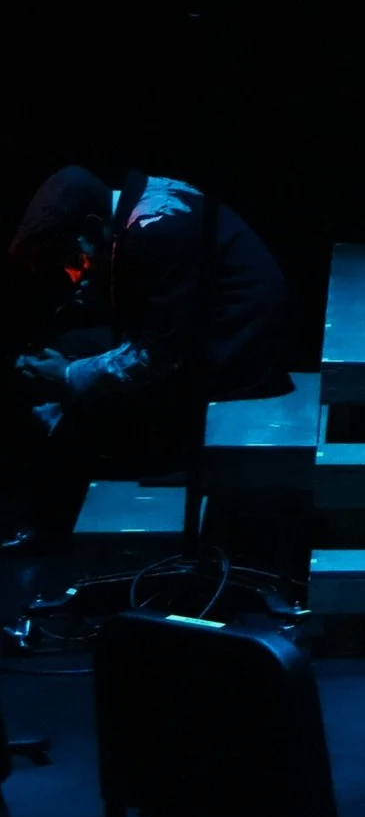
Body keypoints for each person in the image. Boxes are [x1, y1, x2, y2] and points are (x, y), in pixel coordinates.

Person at [4, 166, 290, 550]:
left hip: (233, 359)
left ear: (91, 227)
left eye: (73, 259)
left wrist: (69, 375)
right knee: (67, 347)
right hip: (210, 338)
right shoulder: (141, 209)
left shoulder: (156, 232)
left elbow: (160, 354)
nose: (74, 274)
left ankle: (52, 527)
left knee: (71, 388)